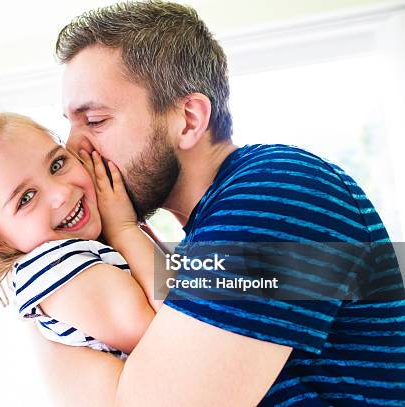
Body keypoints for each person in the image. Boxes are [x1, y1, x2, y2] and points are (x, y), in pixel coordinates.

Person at [30, 1, 405, 406]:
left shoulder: (277, 190)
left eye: (96, 121)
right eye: (69, 125)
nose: (73, 148)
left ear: (188, 120)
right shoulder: (205, 239)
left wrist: (35, 283)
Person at [0, 112, 165, 374]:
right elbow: (177, 329)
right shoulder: (54, 268)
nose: (61, 193)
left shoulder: (78, 251)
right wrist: (124, 230)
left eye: (57, 164)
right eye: (26, 198)